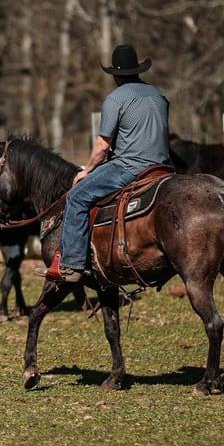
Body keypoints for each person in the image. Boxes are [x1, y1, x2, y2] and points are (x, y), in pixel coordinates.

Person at [36, 44, 171, 282]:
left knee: (76, 196)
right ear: (137, 70)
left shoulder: (115, 99)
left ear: (116, 75)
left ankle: (71, 265)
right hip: (162, 167)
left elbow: (102, 145)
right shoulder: (158, 95)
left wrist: (87, 170)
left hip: (130, 168)